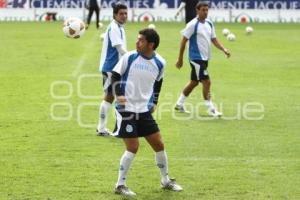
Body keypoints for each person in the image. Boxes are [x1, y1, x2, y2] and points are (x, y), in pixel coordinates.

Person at [110, 29, 183, 196]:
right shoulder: (129, 57)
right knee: (133, 147)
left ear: (151, 45)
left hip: (143, 111)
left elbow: (158, 82)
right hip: (126, 110)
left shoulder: (160, 63)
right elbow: (114, 75)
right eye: (137, 39)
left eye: (140, 40)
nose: (137, 43)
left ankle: (165, 180)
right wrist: (118, 94)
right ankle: (120, 185)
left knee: (159, 144)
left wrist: (154, 101)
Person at [175, 1, 231, 117]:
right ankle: (211, 109)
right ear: (197, 10)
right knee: (206, 81)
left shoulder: (209, 23)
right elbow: (183, 41)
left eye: (207, 10)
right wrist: (180, 58)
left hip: (205, 58)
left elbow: (214, 39)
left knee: (194, 82)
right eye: (203, 10)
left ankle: (179, 104)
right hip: (195, 58)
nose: (205, 12)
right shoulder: (192, 25)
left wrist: (223, 49)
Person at [96, 3, 128, 136]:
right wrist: (133, 58)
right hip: (111, 68)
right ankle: (104, 128)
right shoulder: (114, 28)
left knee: (112, 97)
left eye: (126, 13)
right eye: (121, 13)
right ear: (115, 15)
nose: (124, 16)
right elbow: (120, 49)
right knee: (111, 97)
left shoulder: (118, 27)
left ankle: (104, 128)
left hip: (115, 68)